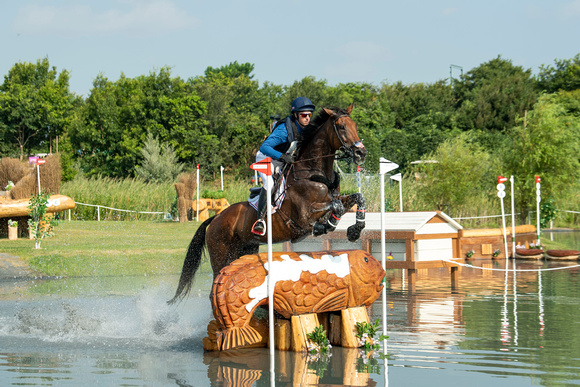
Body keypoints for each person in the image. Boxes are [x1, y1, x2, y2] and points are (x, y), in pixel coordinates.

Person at [251, 96, 315, 236]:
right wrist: (281, 156)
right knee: (270, 183)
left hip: (281, 160)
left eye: (309, 115)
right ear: (296, 115)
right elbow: (264, 147)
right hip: (266, 157)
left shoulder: (306, 128)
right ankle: (260, 220)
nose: (307, 118)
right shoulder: (284, 130)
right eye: (304, 115)